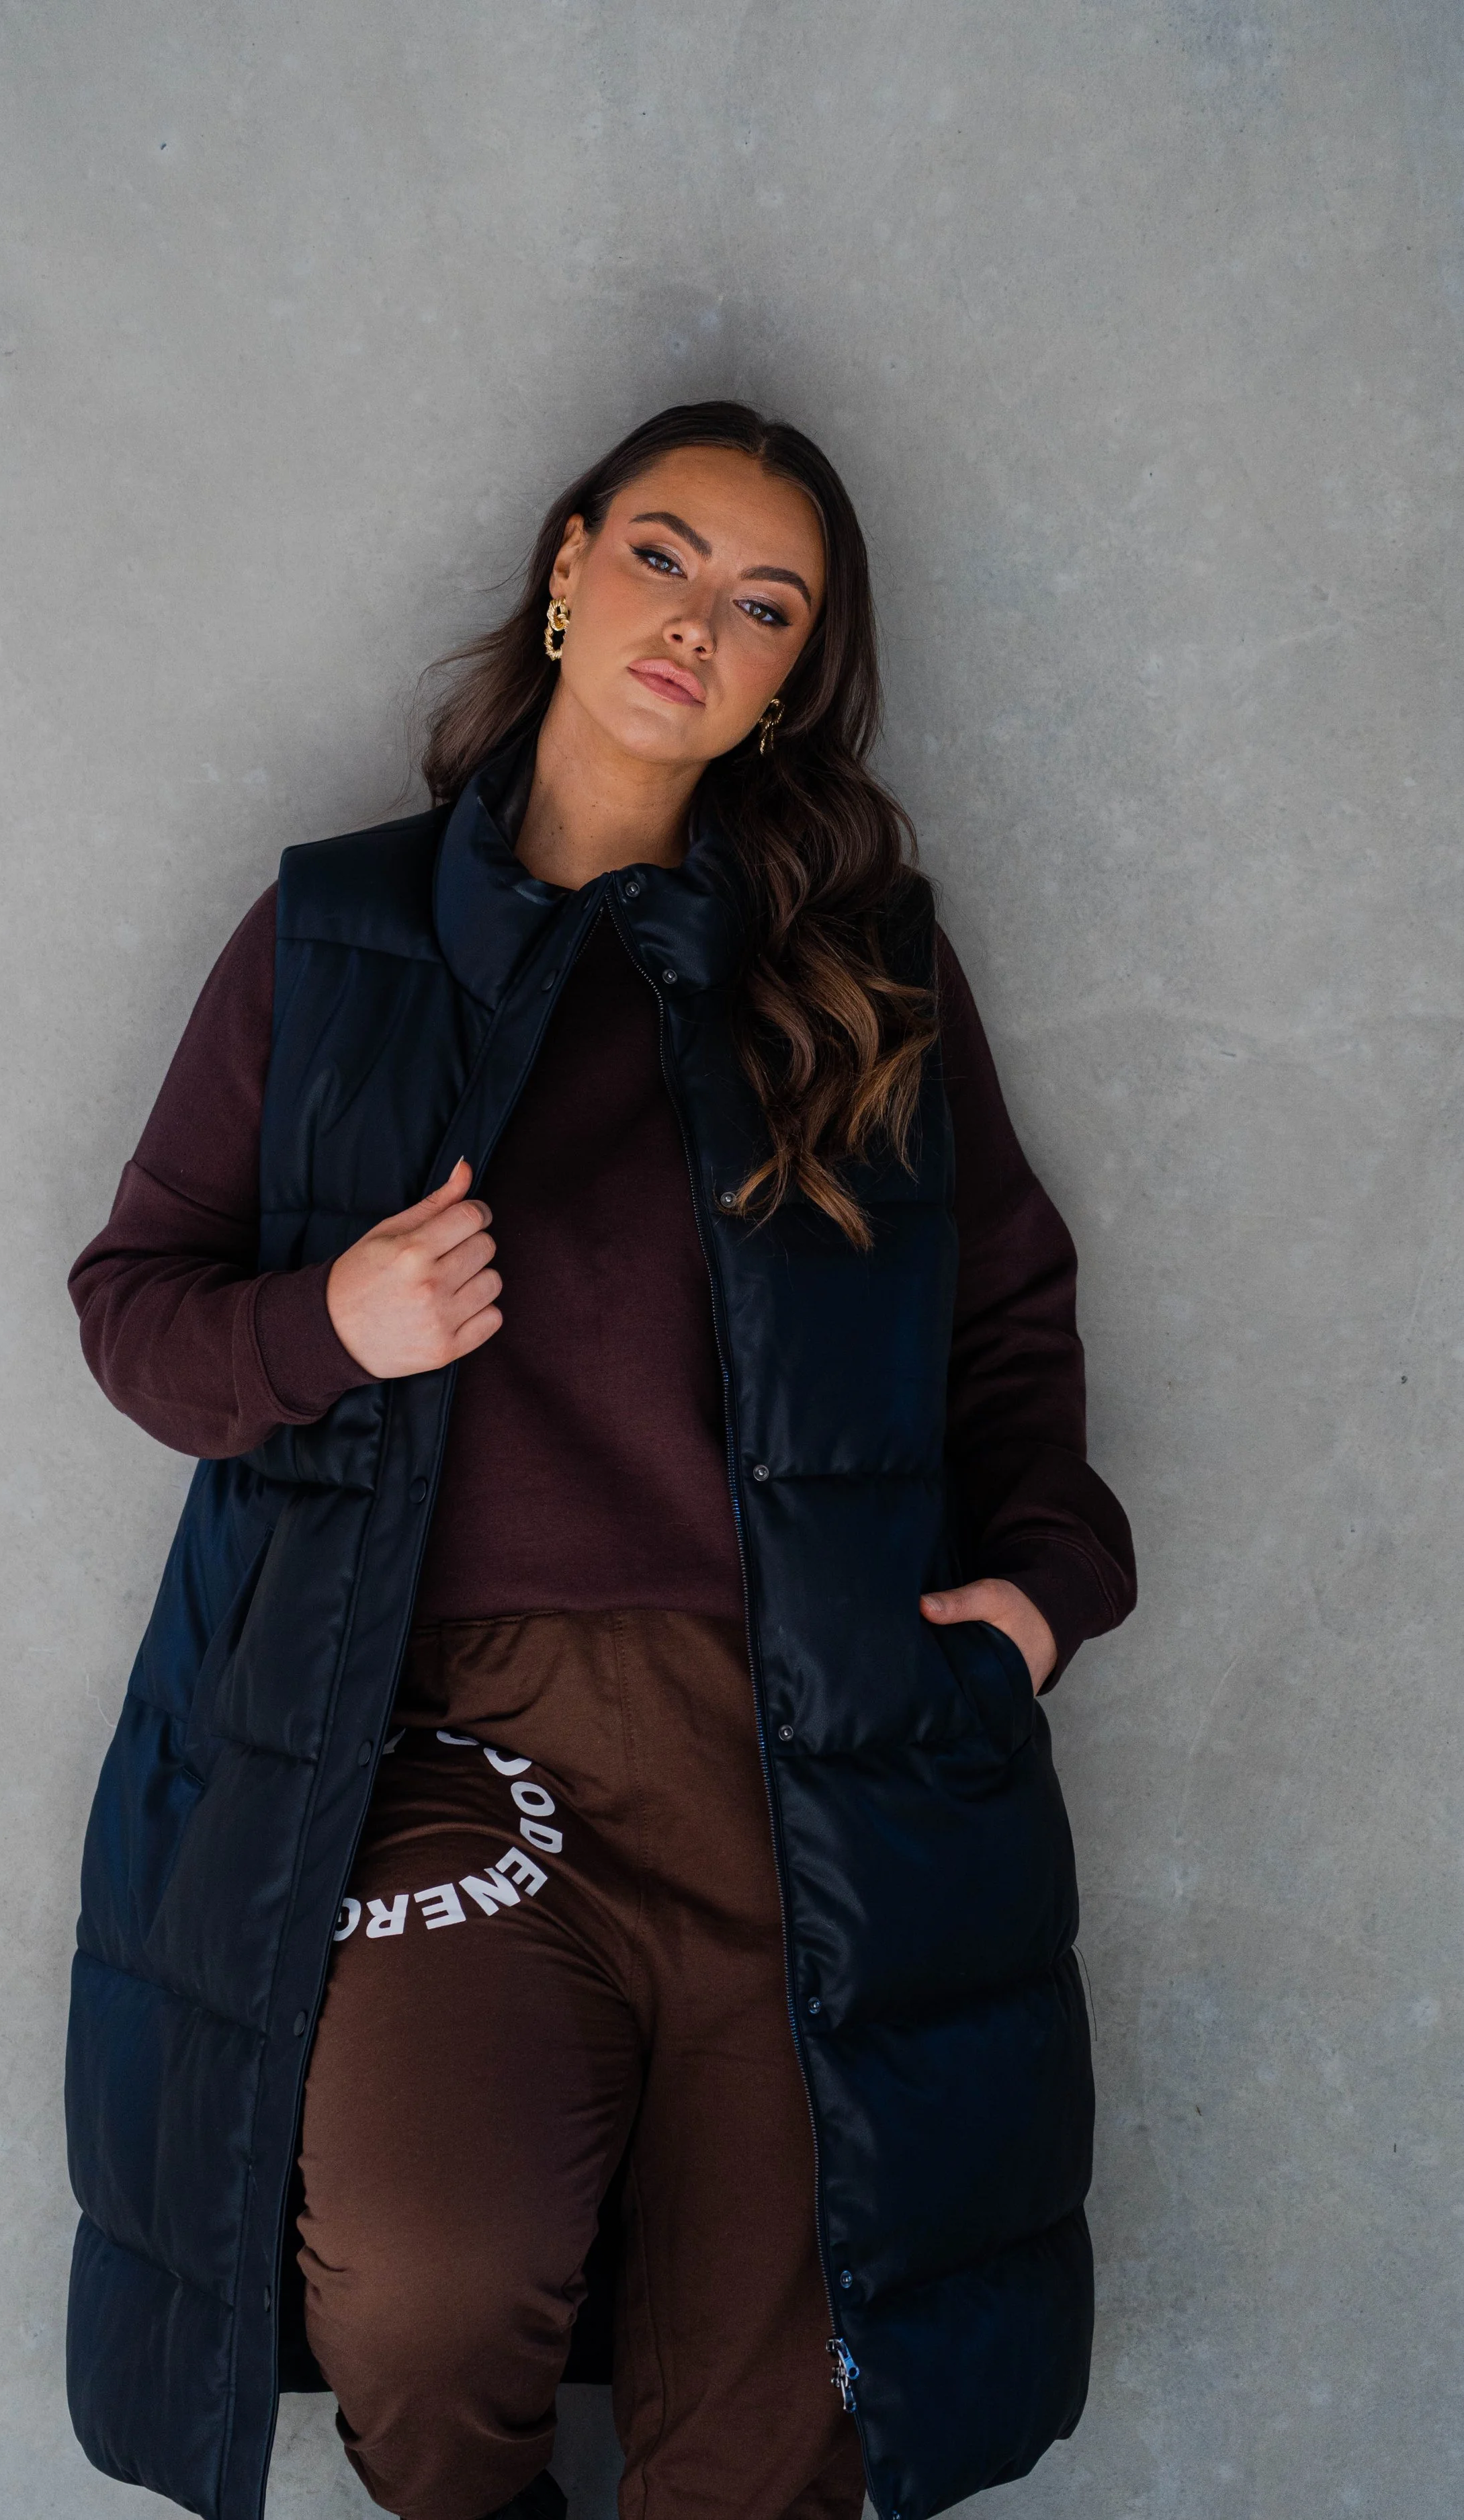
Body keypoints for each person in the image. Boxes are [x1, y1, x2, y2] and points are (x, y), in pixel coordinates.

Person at [62, 401, 1135, 2520]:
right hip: (451, 1749)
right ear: (566, 568)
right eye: (663, 558)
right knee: (425, 2295)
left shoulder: (865, 971)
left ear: (787, 677)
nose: (695, 626)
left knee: (776, 2421)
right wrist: (326, 1322)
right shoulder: (330, 941)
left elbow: (1004, 1314)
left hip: (803, 1758)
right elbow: (134, 1307)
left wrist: (1029, 1604)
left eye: (764, 606)